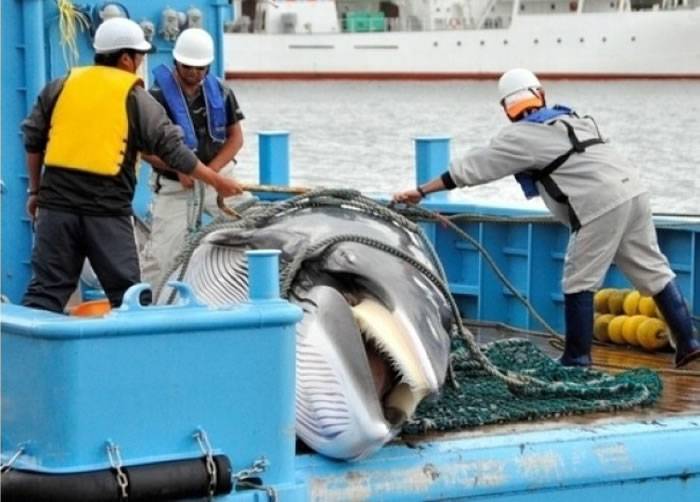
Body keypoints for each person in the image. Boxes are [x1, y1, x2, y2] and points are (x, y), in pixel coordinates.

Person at [392, 68, 700, 369]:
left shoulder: (522, 135)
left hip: (599, 204)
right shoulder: (574, 119)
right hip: (633, 192)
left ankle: (577, 360)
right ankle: (688, 343)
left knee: (578, 279)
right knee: (653, 269)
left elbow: (472, 168)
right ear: (540, 95)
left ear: (507, 109)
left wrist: (422, 190)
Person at [21, 17, 243, 313]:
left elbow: (33, 140)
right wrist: (217, 181)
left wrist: (35, 192)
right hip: (105, 212)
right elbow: (174, 151)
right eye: (139, 56)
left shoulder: (60, 87)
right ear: (126, 58)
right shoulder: (136, 98)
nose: (140, 63)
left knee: (45, 292)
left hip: (55, 209)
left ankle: (21, 357)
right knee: (129, 296)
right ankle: (136, 357)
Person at [140, 27, 248, 288]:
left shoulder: (222, 92)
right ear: (176, 62)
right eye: (188, 67)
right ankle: (150, 310)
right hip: (176, 186)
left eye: (200, 68)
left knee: (251, 224)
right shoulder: (155, 98)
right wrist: (181, 169)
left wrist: (208, 172)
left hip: (219, 179)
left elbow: (236, 138)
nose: (194, 73)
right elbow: (145, 150)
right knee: (161, 255)